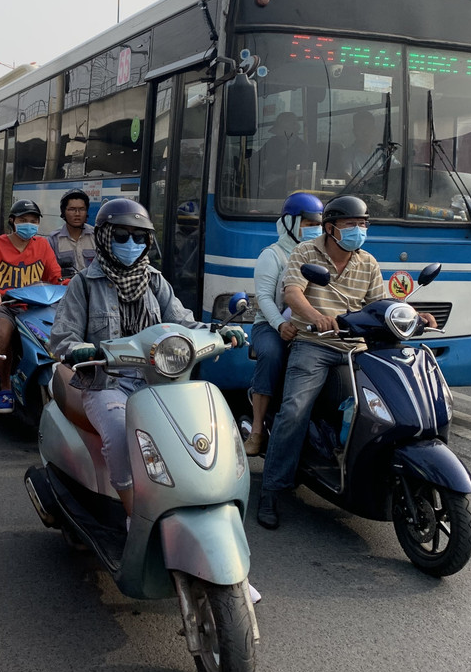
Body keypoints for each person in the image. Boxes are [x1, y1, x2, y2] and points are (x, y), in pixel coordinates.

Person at [50, 199, 245, 517]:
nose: (131, 243)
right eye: (121, 235)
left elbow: (183, 322)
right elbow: (62, 337)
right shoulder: (83, 284)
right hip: (107, 383)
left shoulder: (154, 281)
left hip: (159, 381)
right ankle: (134, 516)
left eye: (139, 237)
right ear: (104, 237)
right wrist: (78, 349)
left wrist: (219, 331)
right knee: (119, 434)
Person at [256, 195, 436, 529]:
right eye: (351, 224)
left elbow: (378, 304)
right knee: (295, 410)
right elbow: (292, 293)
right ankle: (272, 489)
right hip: (315, 343)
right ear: (330, 228)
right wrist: (316, 317)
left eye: (363, 224)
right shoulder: (305, 253)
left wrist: (413, 314)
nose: (358, 230)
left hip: (357, 346)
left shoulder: (367, 262)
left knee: (385, 408)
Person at [243, 191, 324, 456]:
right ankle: (257, 430)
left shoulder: (321, 255)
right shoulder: (273, 255)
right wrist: (280, 325)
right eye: (308, 224)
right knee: (272, 354)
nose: (315, 229)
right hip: (270, 325)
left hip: (308, 325)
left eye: (318, 224)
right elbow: (264, 299)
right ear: (290, 222)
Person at [0, 199, 62, 413]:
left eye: (33, 220)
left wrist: (72, 284)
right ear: (12, 221)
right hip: (3, 304)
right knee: (3, 332)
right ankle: (5, 387)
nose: (29, 224)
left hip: (34, 305)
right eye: (23, 220)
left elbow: (55, 276)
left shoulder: (42, 245)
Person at [250, 111, 310, 199]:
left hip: (294, 195)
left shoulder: (302, 148)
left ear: (293, 130)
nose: (279, 134)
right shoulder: (272, 143)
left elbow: (305, 173)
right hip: (268, 193)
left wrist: (277, 178)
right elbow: (255, 160)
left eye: (283, 130)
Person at [48, 188, 96, 276]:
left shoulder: (96, 236)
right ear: (63, 212)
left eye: (82, 209)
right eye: (72, 209)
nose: (77, 214)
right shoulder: (54, 239)